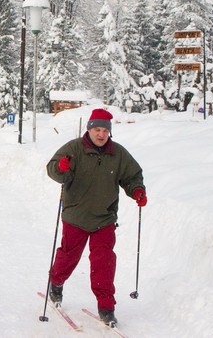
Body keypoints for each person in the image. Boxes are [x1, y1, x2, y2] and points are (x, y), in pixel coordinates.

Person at [45, 108, 146, 326]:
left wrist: (137, 190)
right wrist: (61, 168)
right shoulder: (74, 149)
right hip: (76, 215)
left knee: (104, 262)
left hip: (104, 218)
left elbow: (132, 176)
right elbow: (53, 169)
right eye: (97, 129)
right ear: (89, 129)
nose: (101, 134)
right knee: (69, 255)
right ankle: (56, 284)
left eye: (105, 131)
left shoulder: (118, 154)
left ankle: (106, 306)